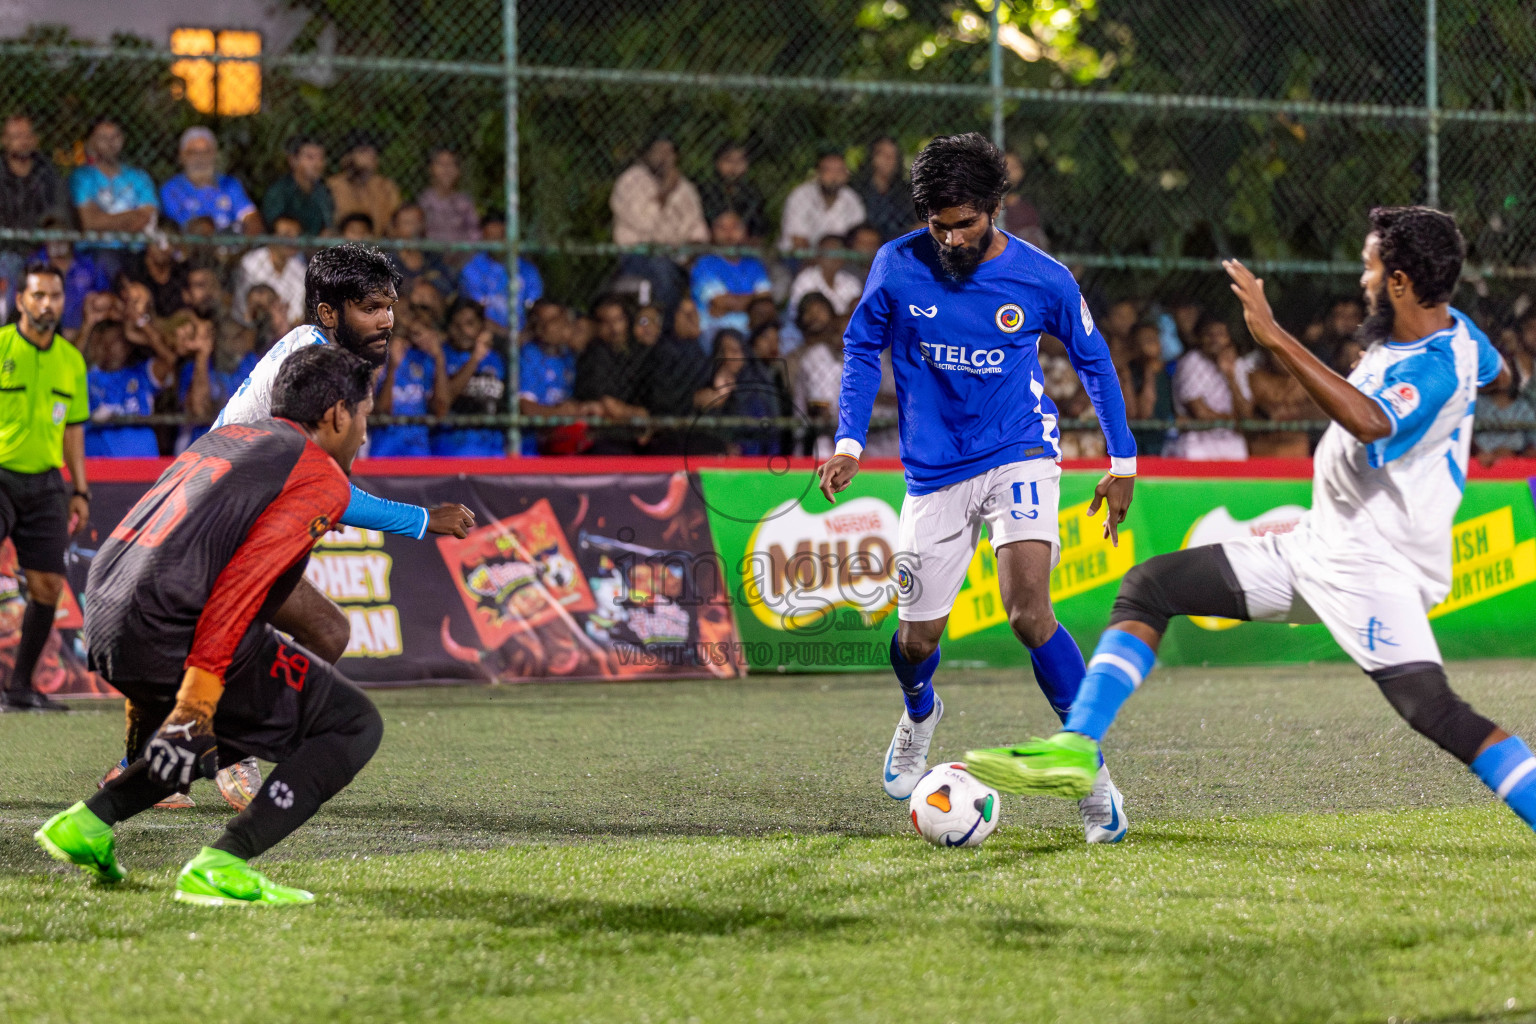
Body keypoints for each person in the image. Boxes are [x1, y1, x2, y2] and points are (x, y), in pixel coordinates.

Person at [963, 207, 1536, 843]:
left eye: (1372, 267)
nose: (1363, 279)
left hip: (1374, 572)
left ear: (1401, 281)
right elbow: (1501, 376)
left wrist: (1275, 337)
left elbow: (1373, 421)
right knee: (1151, 585)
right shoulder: (1459, 338)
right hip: (1318, 546)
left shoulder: (1431, 363)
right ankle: (1076, 747)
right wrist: (1493, 399)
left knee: (1436, 711)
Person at [815, 133, 1137, 843]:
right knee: (916, 639)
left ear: (994, 209)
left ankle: (1092, 775)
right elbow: (863, 345)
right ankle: (921, 711)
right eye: (939, 226)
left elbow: (1094, 359)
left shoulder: (1043, 277)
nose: (953, 239)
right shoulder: (896, 265)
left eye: (966, 223)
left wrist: (1124, 462)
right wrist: (847, 440)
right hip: (933, 472)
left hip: (1020, 450)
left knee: (1029, 613)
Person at [34, 344, 388, 905]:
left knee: (211, 736)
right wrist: (199, 693)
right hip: (168, 623)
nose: (366, 434)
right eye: (366, 415)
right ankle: (219, 864)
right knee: (353, 725)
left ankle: (87, 824)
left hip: (103, 610)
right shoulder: (319, 472)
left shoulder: (229, 437)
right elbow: (241, 586)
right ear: (338, 414)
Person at [189, 243, 475, 805]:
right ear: (328, 312)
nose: (386, 319)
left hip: (242, 520)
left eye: (389, 305)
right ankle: (214, 752)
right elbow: (329, 488)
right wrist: (424, 519)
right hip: (215, 524)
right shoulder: (316, 367)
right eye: (371, 307)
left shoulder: (322, 355)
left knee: (325, 632)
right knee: (250, 642)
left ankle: (181, 754)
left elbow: (314, 478)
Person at [0, 264, 90, 712]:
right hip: (0, 473)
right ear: (20, 300)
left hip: (46, 483)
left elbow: (73, 430)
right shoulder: (1, 348)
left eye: (55, 295)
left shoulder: (71, 361)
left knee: (48, 586)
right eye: (38, 295)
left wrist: (81, 490)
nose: (47, 303)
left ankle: (19, 690)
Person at [610, 136, 709, 311]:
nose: (664, 157)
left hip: (680, 254)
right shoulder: (630, 181)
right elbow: (647, 225)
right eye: (659, 151)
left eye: (669, 152)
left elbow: (697, 226)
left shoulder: (685, 187)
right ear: (647, 154)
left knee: (709, 268)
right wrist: (665, 193)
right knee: (662, 270)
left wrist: (694, 249)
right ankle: (667, 329)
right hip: (640, 253)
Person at [70, 117, 157, 276]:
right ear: (90, 143)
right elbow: (89, 221)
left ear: (123, 140)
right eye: (103, 138)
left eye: (115, 137)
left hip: (136, 252)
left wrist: (104, 220)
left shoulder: (139, 177)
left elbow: (147, 219)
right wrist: (132, 216)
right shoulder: (82, 177)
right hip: (95, 251)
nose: (110, 143)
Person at [1165, 315, 1252, 460]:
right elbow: (1201, 413)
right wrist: (1234, 421)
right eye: (1209, 334)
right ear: (1199, 338)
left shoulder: (1237, 364)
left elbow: (1246, 413)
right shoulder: (1191, 362)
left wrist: (1229, 376)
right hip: (1198, 442)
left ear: (1229, 338)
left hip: (1231, 441)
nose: (1214, 339)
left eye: (1220, 334)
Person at [83, 318, 173, 458]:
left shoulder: (142, 374)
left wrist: (141, 328)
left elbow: (169, 359)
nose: (114, 347)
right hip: (99, 465)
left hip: (143, 463)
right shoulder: (86, 377)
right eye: (109, 341)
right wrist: (88, 324)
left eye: (120, 341)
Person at [0, 114, 68, 295]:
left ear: (35, 139)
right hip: (5, 250)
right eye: (16, 136)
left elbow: (58, 215)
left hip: (40, 250)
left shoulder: (48, 173)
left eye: (27, 135)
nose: (23, 141)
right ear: (4, 140)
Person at [431, 298, 506, 457]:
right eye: (456, 325)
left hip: (492, 448)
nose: (463, 331)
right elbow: (445, 401)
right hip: (452, 446)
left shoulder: (497, 359)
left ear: (482, 327)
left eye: (470, 324)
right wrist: (475, 359)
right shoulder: (442, 356)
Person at [691, 210, 772, 347]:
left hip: (753, 331)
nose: (729, 233)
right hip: (716, 332)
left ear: (745, 232)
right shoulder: (704, 264)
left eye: (735, 227)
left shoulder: (754, 265)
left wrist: (730, 303)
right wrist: (753, 301)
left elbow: (766, 303)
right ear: (712, 233)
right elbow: (721, 302)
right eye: (722, 228)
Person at [159, 127, 261, 235]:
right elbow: (176, 229)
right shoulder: (171, 189)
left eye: (206, 152)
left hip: (232, 246)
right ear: (182, 156)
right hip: (191, 248)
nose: (200, 158)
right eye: (193, 152)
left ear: (214, 155)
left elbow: (251, 217)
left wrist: (245, 243)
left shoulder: (229, 184)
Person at [370, 316, 442, 458]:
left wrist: (439, 357)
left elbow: (441, 408)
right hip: (383, 450)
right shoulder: (377, 362)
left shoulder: (425, 360)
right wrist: (392, 368)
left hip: (418, 451)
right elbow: (382, 410)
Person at [457, 213, 542, 330]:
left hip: (524, 336)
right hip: (487, 333)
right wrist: (505, 336)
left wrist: (523, 336)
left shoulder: (528, 270)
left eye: (501, 236)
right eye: (491, 237)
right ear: (483, 238)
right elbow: (475, 314)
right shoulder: (472, 269)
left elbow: (536, 311)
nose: (496, 242)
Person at [779, 149, 865, 253]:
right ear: (817, 173)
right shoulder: (800, 196)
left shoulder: (853, 200)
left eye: (839, 171)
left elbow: (859, 241)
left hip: (841, 260)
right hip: (798, 258)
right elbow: (798, 242)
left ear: (846, 175)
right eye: (828, 170)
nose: (834, 177)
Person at [233, 215, 306, 324]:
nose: (293, 240)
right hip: (252, 327)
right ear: (271, 237)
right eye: (287, 235)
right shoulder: (251, 263)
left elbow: (298, 315)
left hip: (287, 331)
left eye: (297, 235)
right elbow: (243, 308)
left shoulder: (300, 270)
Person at [327, 132, 401, 236]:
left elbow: (396, 224)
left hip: (379, 245)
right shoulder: (334, 185)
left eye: (373, 152)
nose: (370, 156)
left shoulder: (386, 186)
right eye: (363, 151)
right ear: (348, 156)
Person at [261, 136, 333, 237]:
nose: (318, 164)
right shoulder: (279, 190)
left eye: (321, 158)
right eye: (310, 158)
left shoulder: (323, 191)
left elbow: (328, 227)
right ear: (293, 160)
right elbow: (278, 225)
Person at [698, 142, 768, 241]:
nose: (734, 166)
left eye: (740, 161)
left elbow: (758, 228)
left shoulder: (753, 195)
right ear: (717, 163)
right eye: (728, 160)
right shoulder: (706, 192)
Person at [384, 203, 454, 298]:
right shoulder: (388, 260)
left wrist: (428, 283)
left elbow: (448, 286)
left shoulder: (433, 256)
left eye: (417, 222)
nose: (414, 228)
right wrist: (415, 284)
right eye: (407, 223)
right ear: (396, 228)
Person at [787, 234, 864, 317]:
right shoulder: (805, 279)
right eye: (829, 253)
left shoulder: (851, 281)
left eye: (838, 253)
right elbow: (797, 313)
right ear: (818, 256)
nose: (835, 257)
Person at [856, 136, 916, 241]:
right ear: (872, 158)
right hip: (867, 242)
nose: (888, 160)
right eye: (883, 154)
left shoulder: (906, 191)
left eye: (893, 156)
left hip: (898, 241)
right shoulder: (858, 189)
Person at [417, 147, 479, 245]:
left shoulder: (464, 202)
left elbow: (474, 233)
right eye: (441, 164)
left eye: (451, 164)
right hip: (431, 254)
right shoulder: (423, 201)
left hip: (461, 255)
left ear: (458, 171)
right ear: (431, 169)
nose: (446, 169)